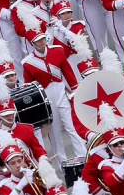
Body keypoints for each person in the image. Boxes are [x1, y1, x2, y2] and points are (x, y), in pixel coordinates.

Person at [22, 28, 86, 165]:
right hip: (45, 98)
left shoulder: (57, 51)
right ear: (33, 43)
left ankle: (83, 157)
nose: (42, 42)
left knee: (72, 126)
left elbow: (68, 72)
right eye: (38, 41)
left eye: (43, 39)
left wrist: (75, 90)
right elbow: (29, 87)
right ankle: (62, 163)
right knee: (55, 132)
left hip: (61, 91)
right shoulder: (28, 62)